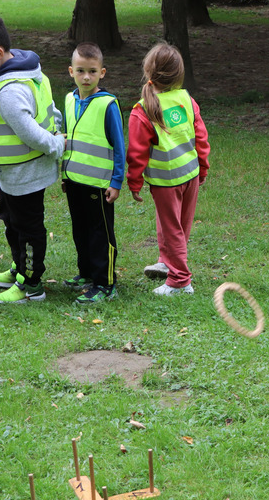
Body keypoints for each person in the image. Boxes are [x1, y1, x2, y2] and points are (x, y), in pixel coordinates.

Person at [0, 14, 64, 305]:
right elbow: (52, 109)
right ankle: (20, 268)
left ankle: (31, 285)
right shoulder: (28, 70)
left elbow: (32, 134)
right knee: (11, 220)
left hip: (27, 174)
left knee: (28, 229)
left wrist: (56, 145)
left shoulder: (9, 90)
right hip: (12, 175)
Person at [127, 42, 211, 296]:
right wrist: (203, 167)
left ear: (148, 73)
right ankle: (167, 263)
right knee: (178, 225)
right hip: (190, 175)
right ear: (179, 74)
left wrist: (134, 182)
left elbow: (136, 153)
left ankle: (180, 280)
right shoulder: (187, 99)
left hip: (166, 182)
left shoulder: (142, 111)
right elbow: (201, 138)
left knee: (171, 226)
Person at [61, 42, 126, 304]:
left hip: (99, 185)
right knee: (81, 230)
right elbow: (68, 139)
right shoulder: (68, 99)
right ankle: (86, 273)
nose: (86, 77)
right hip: (75, 181)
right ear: (71, 71)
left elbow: (119, 147)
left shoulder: (108, 104)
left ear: (102, 73)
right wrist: (65, 174)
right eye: (80, 71)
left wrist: (116, 181)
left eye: (92, 71)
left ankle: (105, 283)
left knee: (101, 234)